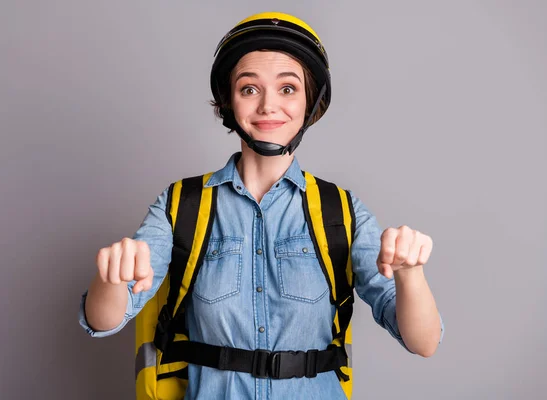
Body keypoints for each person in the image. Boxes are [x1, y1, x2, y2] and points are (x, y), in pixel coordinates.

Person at [79, 11, 444, 399]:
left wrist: (410, 275)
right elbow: (104, 321)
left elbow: (423, 343)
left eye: (288, 88)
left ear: (311, 101)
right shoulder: (180, 205)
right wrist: (111, 279)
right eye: (249, 89)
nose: (269, 105)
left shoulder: (341, 211)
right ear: (228, 102)